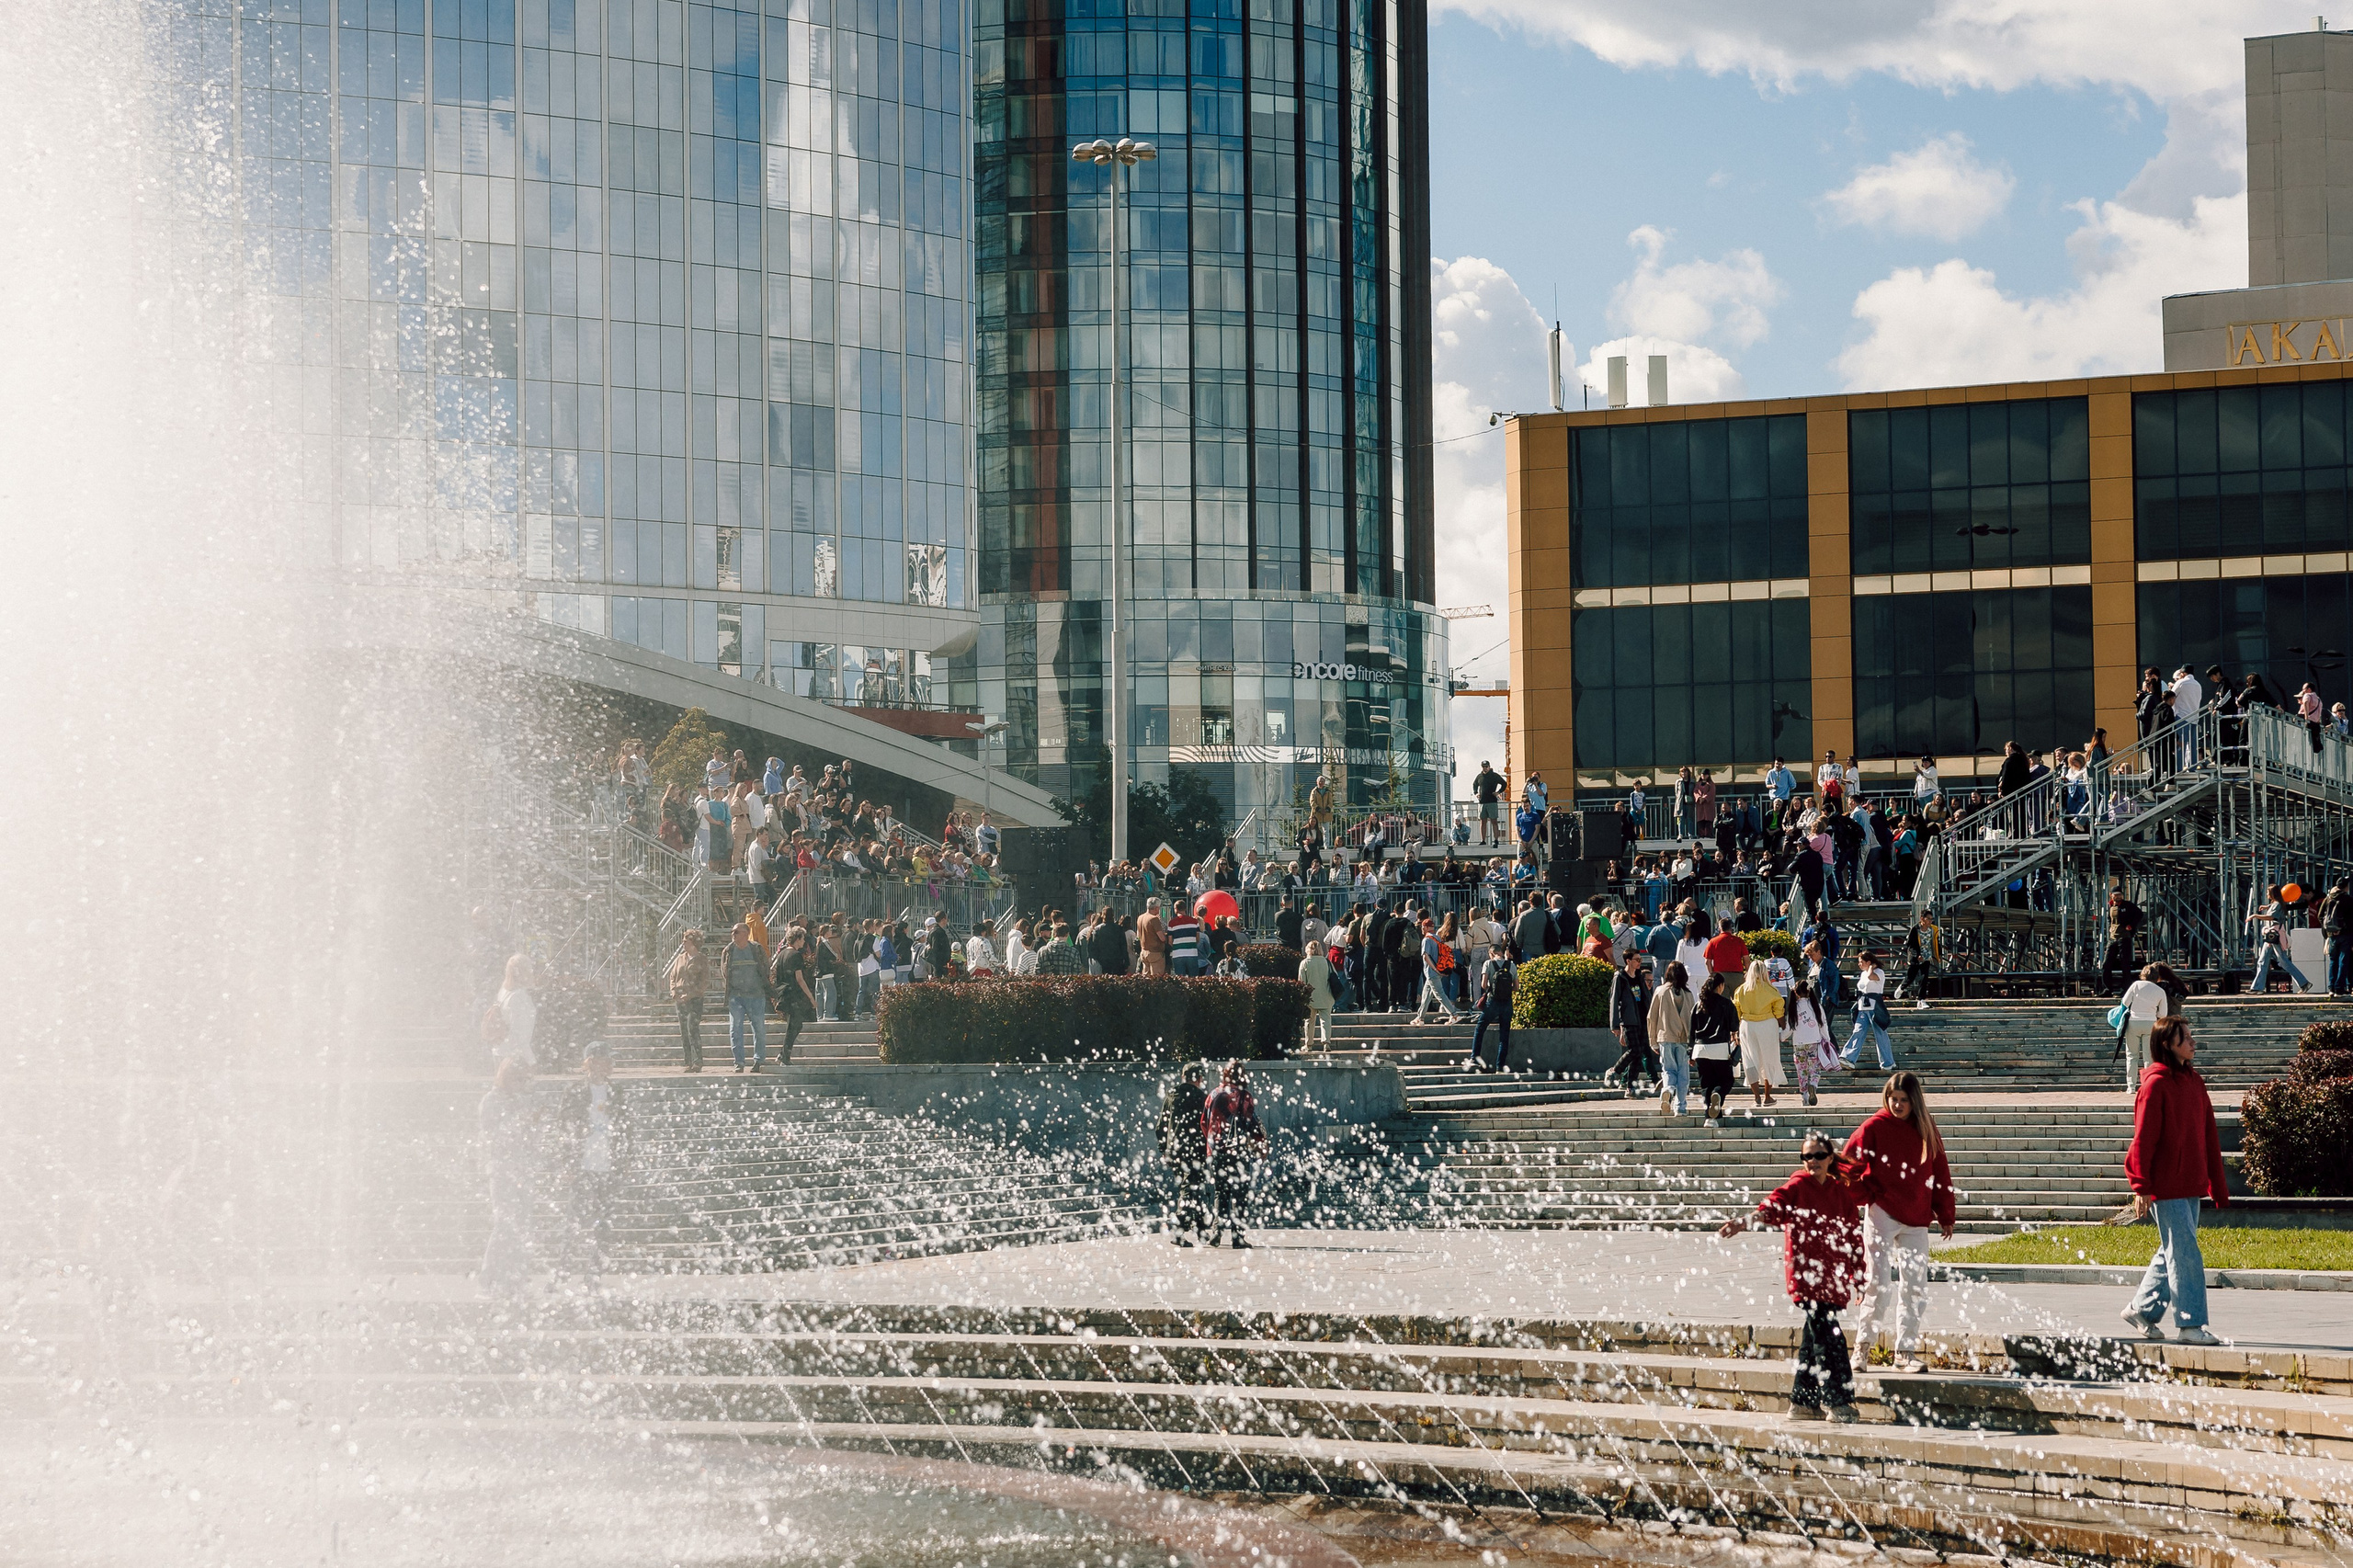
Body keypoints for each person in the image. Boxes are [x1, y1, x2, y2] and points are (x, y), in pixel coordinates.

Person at [1717, 1131, 1866, 1424]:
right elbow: (1773, 1207)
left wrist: (1858, 1275)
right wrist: (1742, 1222)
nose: (1812, 1161)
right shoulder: (1798, 1186)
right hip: (1807, 1278)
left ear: (1830, 1158)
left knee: (1814, 1339)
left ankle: (1802, 1403)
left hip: (1832, 1279)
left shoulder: (1840, 1192)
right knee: (1830, 1337)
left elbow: (1853, 1236)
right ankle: (1839, 1402)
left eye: (1819, 1155)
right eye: (1807, 1156)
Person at [2120, 1017, 2230, 1346]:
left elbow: (2209, 1134)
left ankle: (2141, 1309)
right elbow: (2144, 1139)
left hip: (2190, 1180)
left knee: (2174, 1251)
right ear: (2167, 1044)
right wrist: (2141, 1186)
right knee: (2185, 1254)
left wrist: (2216, 1182)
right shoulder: (2154, 1085)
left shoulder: (2194, 1082)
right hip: (2165, 1185)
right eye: (2186, 1038)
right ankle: (2190, 1324)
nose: (2193, 1043)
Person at [1843, 1072, 1954, 1372]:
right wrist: (1864, 1194)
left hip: (1916, 1216)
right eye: (1893, 1099)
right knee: (1877, 1283)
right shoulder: (1875, 1127)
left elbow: (1940, 1170)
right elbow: (1847, 1166)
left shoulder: (1926, 1128)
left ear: (1914, 1101)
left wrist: (1945, 1213)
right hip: (1882, 1213)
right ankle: (1862, 1349)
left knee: (1914, 1287)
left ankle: (1904, 1352)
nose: (1898, 1105)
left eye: (1904, 1100)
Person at [476, 1057, 537, 1297]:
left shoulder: (521, 1100)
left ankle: (515, 1278)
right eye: (517, 1077)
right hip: (502, 1170)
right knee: (504, 1224)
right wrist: (520, 1124)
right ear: (506, 1076)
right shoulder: (491, 1101)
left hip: (522, 1169)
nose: (521, 1082)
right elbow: (493, 1135)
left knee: (521, 1225)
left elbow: (528, 1138)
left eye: (524, 1078)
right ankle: (489, 1278)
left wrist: (533, 1127)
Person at [571, 1047, 627, 1269]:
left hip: (607, 1165)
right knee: (573, 1223)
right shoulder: (576, 1090)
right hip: (582, 1165)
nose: (612, 1064)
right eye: (607, 1059)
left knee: (602, 1224)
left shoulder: (616, 1091)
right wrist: (568, 1163)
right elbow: (564, 1127)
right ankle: (563, 1274)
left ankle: (595, 1274)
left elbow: (626, 1128)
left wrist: (625, 1159)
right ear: (592, 1061)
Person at [1202, 1063, 1267, 1248]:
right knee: (1239, 1195)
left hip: (1218, 1152)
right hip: (1239, 1152)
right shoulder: (1245, 1097)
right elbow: (1251, 1124)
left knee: (1221, 1193)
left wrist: (1212, 1145)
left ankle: (1216, 1232)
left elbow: (1204, 1122)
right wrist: (1260, 1144)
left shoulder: (1214, 1094)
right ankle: (1238, 1237)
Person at [1157, 1065, 1211, 1245]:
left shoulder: (1171, 1096)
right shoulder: (1201, 1098)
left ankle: (1201, 1230)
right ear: (1199, 1078)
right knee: (1191, 1190)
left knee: (1191, 1189)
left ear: (1183, 1076)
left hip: (1175, 1152)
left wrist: (1164, 1149)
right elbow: (1207, 1126)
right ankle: (1179, 1233)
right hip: (1195, 1151)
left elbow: (1161, 1126)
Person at [1733, 960, 1786, 1108]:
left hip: (1747, 1025)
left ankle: (1756, 1096)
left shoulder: (1741, 990)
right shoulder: (1771, 990)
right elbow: (1779, 1011)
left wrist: (1735, 1031)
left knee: (1750, 1061)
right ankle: (1767, 1096)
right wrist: (1784, 1027)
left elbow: (1736, 1011)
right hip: (1767, 1024)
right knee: (1769, 1059)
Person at [1647, 960, 1696, 1117]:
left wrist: (1653, 1040)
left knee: (1668, 1069)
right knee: (1683, 1073)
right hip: (1683, 1039)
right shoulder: (1688, 995)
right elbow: (1693, 1020)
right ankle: (1680, 1107)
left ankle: (1667, 1089)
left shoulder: (1660, 991)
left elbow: (1651, 1017)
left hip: (1664, 1036)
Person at [1606, 949, 1655, 1097]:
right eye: (1637, 960)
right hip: (1629, 1020)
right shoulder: (1620, 977)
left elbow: (1646, 997)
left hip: (1642, 1019)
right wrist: (1615, 1025)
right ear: (1628, 961)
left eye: (1640, 960)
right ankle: (1615, 1070)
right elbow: (1614, 1001)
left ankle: (1630, 1087)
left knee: (1639, 1053)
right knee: (1634, 1050)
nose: (1640, 962)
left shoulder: (1639, 976)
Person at [1690, 972, 1739, 1121]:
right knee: (1726, 1080)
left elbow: (1691, 1030)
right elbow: (1734, 1025)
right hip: (1719, 1048)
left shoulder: (1698, 1005)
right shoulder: (1726, 1003)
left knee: (1706, 1085)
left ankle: (1710, 1119)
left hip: (1700, 1049)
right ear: (1721, 986)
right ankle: (1718, 1093)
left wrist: (1689, 1053)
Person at [722, 920, 768, 1073]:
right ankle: (739, 1062)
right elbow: (724, 972)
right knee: (735, 1029)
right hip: (736, 997)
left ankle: (758, 1060)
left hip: (756, 995)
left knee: (759, 1028)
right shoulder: (728, 950)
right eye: (732, 932)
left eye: (736, 932)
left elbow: (765, 968)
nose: (733, 935)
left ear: (746, 934)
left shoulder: (756, 949)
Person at [2118, 961, 2172, 1088]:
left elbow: (2125, 1002)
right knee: (2149, 1056)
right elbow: (2163, 1014)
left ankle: (2131, 1086)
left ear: (2143, 975)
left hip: (2133, 1022)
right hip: (2150, 1023)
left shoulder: (2136, 985)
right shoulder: (2160, 991)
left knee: (2132, 1055)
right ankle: (2148, 1084)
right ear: (2156, 977)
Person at [665, 928, 711, 1074]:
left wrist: (690, 994)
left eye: (686, 941)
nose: (683, 943)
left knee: (693, 1028)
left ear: (694, 943)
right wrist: (673, 991)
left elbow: (704, 981)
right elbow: (673, 976)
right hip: (679, 999)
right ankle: (688, 1061)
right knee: (683, 1030)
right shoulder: (680, 958)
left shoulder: (702, 959)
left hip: (694, 999)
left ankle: (698, 1061)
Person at [2248, 887, 2312, 994]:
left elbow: (2271, 917)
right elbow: (2275, 907)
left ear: (2273, 893)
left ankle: (2304, 983)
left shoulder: (2277, 904)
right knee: (2265, 961)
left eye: (2268, 892)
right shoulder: (2277, 903)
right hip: (2272, 936)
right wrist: (2267, 906)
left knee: (2280, 961)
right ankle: (2257, 987)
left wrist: (2255, 916)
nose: (2267, 894)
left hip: (2274, 936)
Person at [769, 926, 818, 1063]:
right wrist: (811, 998)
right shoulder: (796, 955)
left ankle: (783, 1054)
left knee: (794, 1024)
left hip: (784, 993)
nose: (804, 942)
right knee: (794, 1025)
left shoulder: (782, 954)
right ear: (797, 939)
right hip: (794, 994)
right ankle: (784, 1056)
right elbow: (800, 979)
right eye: (803, 938)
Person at [1842, 950, 1893, 1071]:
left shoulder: (1878, 972)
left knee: (1880, 1034)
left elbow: (1871, 977)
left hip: (1875, 1007)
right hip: (1863, 1006)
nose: (1859, 964)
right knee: (1858, 1031)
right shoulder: (1863, 974)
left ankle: (1887, 1062)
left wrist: (1871, 967)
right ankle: (1848, 1057)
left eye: (1861, 962)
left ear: (1869, 962)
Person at [1787, 976, 1833, 1108]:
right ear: (1809, 991)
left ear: (1796, 992)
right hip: (1815, 1041)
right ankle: (1813, 1085)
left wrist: (1780, 1037)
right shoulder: (1816, 1006)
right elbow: (1823, 1025)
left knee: (1802, 1071)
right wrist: (1827, 1040)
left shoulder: (1793, 1007)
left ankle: (1805, 1097)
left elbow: (1789, 1027)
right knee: (1815, 1068)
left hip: (1799, 1044)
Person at [1413, 916, 1469, 1022]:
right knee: (1426, 995)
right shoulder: (1438, 938)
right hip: (1438, 970)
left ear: (1425, 927)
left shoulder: (1427, 939)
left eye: (1422, 927)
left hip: (1432, 972)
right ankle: (1420, 1018)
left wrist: (1435, 969)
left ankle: (1454, 1015)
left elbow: (1425, 956)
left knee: (1440, 994)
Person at [489, 954, 538, 1069]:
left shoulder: (504, 992)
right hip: (514, 1057)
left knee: (500, 1085)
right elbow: (519, 1033)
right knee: (515, 1086)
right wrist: (531, 1060)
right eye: (529, 969)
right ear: (523, 972)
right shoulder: (519, 996)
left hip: (500, 1050)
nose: (532, 973)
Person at [1472, 944, 1516, 1073]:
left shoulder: (1488, 963)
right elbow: (1517, 987)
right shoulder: (1511, 965)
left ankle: (1475, 1058)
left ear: (1491, 953)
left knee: (1480, 1028)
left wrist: (1493, 988)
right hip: (1507, 1003)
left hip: (1493, 1002)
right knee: (1504, 1034)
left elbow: (1483, 984)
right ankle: (1500, 1066)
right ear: (1501, 952)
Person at [1299, 940, 1336, 1050]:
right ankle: (1326, 1043)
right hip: (1326, 995)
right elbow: (1334, 977)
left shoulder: (1305, 963)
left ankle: (1308, 1044)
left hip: (1310, 997)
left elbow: (1302, 982)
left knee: (1309, 1021)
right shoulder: (1327, 962)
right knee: (1326, 1020)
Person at [2325, 875, 2353, 996]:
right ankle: (2339, 988)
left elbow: (2321, 915)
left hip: (2332, 934)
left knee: (2333, 961)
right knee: (2343, 961)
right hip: (2346, 934)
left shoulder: (2328, 898)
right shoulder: (2348, 899)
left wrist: (2330, 930)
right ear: (2346, 887)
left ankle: (2331, 988)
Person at [1472, 759, 1506, 846]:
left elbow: (1504, 783)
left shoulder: (1494, 776)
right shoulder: (1479, 776)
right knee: (1482, 822)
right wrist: (1476, 793)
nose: (1485, 768)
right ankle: (1483, 840)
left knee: (1494, 821)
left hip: (1492, 801)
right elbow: (1475, 785)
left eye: (1486, 767)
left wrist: (1498, 792)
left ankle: (1496, 840)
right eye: (1483, 767)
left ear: (1489, 767)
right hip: (1482, 802)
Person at [1136, 897, 1170, 976]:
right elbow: (1162, 938)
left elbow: (1138, 935)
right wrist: (1166, 937)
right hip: (1155, 953)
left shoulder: (1140, 917)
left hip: (1144, 951)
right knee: (1156, 979)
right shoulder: (1154, 919)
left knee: (1146, 978)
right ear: (1156, 908)